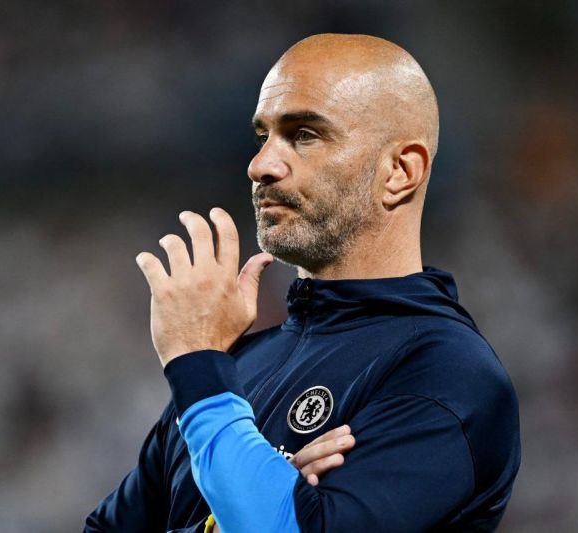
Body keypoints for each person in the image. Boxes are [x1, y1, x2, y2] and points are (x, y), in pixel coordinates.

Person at [85, 33, 520, 532]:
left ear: (400, 171)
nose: (260, 165)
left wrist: (199, 366)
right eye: (263, 136)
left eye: (304, 134)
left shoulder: (447, 375)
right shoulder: (235, 366)